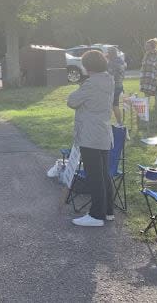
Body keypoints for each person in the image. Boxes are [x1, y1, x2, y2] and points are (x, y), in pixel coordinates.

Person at [67, 50, 114, 227]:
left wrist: (80, 86)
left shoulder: (90, 83)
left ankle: (96, 215)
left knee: (95, 177)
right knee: (104, 175)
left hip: (90, 135)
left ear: (87, 66)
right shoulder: (109, 79)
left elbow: (71, 101)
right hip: (103, 133)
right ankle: (108, 211)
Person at [140, 38, 157, 109]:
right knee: (146, 91)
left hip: (154, 76)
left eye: (147, 45)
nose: (146, 47)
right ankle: (146, 105)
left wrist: (156, 74)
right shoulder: (146, 54)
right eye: (146, 45)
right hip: (146, 76)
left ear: (152, 46)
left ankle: (156, 105)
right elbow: (144, 64)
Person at [106, 47, 126, 126]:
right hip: (120, 84)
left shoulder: (111, 62)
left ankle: (119, 122)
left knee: (114, 105)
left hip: (113, 85)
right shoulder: (121, 61)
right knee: (115, 104)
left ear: (111, 54)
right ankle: (119, 122)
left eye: (108, 53)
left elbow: (109, 74)